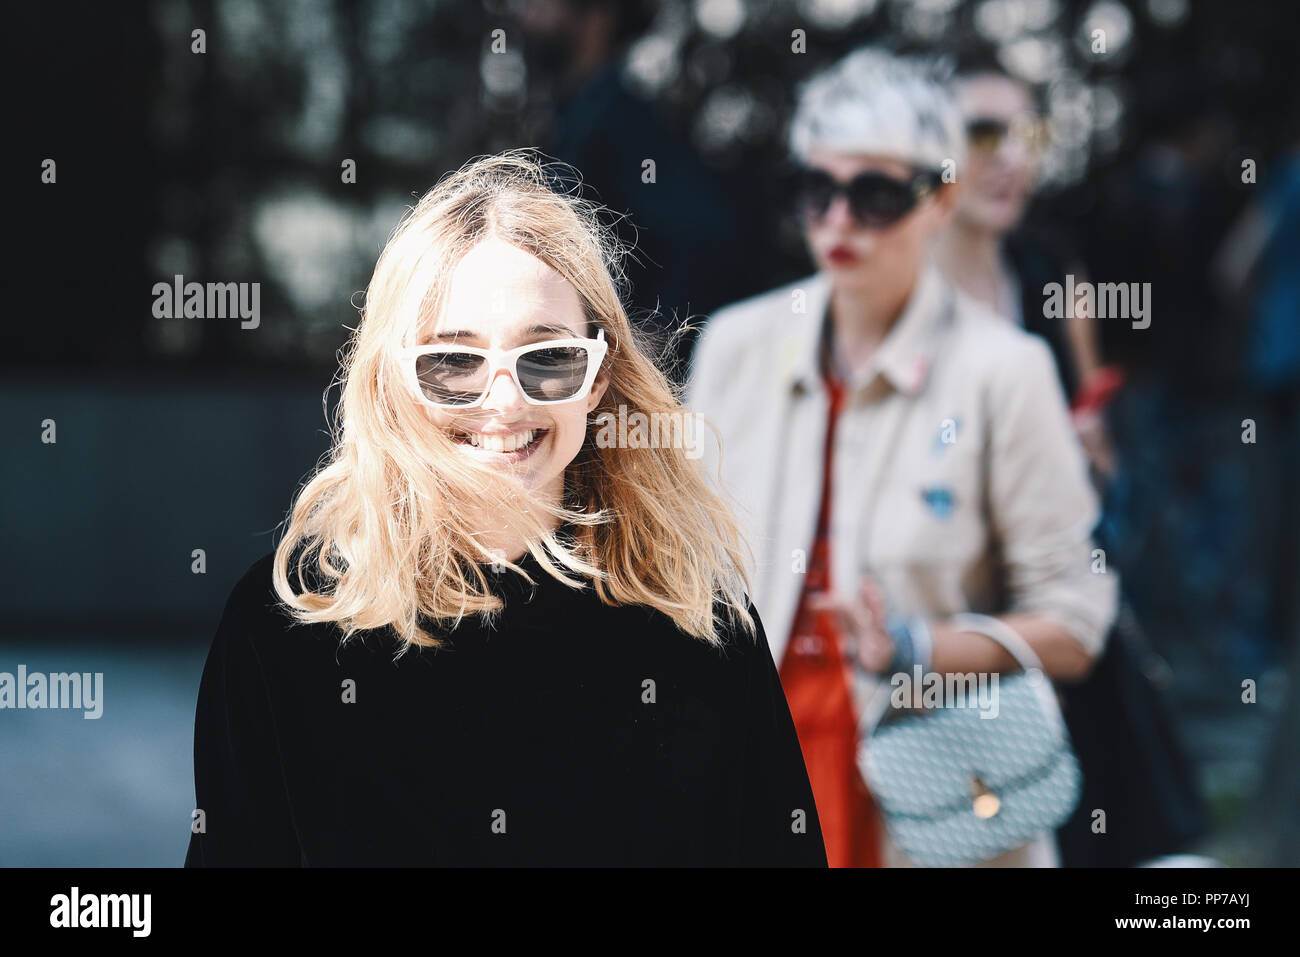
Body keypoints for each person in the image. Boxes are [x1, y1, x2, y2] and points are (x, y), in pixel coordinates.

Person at [184, 149, 826, 867]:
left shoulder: (699, 624)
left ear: (597, 376)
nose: (504, 400)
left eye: (546, 356)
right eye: (453, 361)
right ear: (394, 381)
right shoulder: (284, 628)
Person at [687, 49, 1117, 867]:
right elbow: (676, 567)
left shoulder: (1005, 369)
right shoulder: (735, 346)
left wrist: (920, 646)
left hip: (939, 801)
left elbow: (1076, 620)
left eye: (877, 194)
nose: (839, 220)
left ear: (941, 198)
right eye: (819, 190)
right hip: (752, 784)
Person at [932, 47, 1115, 477]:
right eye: (983, 134)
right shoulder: (887, 284)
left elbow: (1096, 439)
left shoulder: (1057, 273)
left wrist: (1089, 447)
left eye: (1029, 135)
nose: (1012, 158)